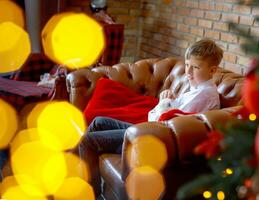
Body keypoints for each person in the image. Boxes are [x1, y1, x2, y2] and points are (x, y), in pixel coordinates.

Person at [77, 38, 223, 199]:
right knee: (99, 121)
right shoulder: (196, 89)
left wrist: (164, 102)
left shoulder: (204, 95)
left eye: (195, 67)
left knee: (88, 141)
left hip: (154, 139)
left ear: (212, 70)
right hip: (151, 129)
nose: (188, 72)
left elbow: (161, 120)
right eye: (187, 65)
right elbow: (159, 114)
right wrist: (166, 101)